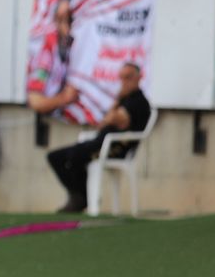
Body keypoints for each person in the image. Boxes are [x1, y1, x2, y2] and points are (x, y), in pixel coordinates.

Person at [45, 62, 153, 213]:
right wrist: (117, 102)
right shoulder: (123, 99)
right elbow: (103, 123)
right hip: (99, 142)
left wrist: (114, 109)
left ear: (139, 78)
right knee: (55, 157)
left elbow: (117, 120)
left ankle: (82, 198)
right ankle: (80, 195)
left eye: (128, 77)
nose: (124, 82)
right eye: (121, 78)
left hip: (114, 148)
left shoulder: (139, 101)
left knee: (75, 156)